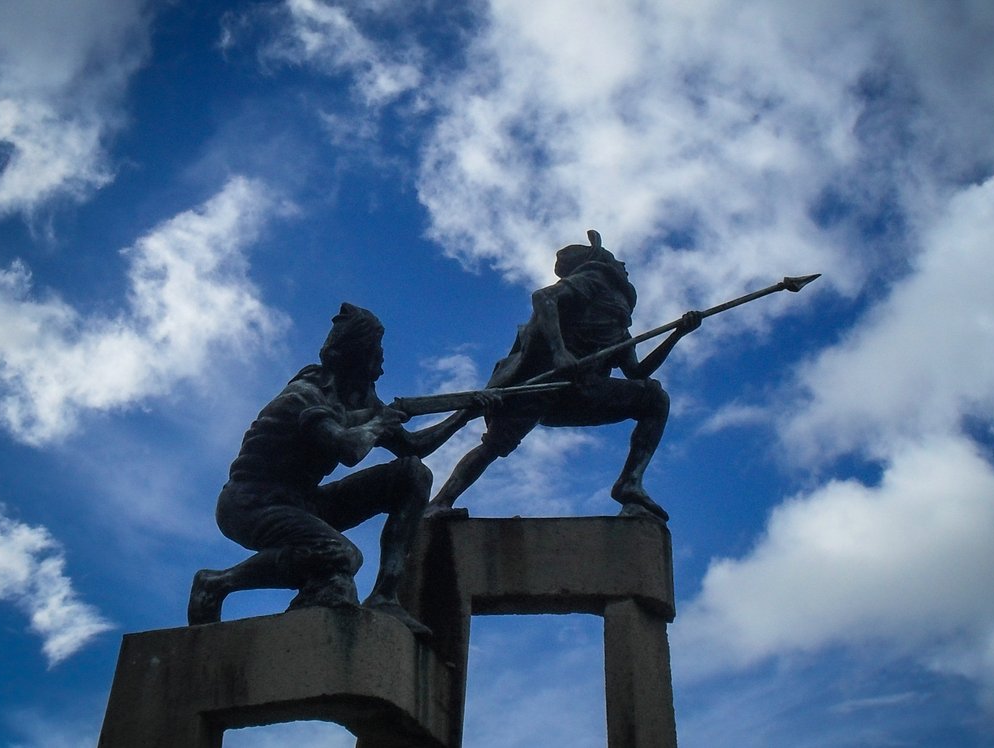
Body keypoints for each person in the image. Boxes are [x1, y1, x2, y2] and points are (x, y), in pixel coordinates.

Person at [188, 303, 488, 635]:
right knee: (342, 557)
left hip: (303, 501)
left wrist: (466, 414)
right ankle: (217, 583)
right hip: (249, 504)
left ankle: (385, 596)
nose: (383, 359)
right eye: (377, 350)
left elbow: (414, 447)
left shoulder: (362, 403)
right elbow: (348, 450)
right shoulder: (305, 396)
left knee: (412, 474)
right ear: (360, 353)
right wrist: (378, 424)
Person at [426, 230, 701, 522]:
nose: (623, 264)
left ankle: (630, 483)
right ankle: (440, 502)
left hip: (582, 390)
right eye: (616, 259)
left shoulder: (616, 321)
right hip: (543, 380)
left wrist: (677, 334)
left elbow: (636, 372)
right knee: (495, 446)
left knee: (654, 399)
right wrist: (559, 351)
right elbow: (544, 297)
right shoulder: (595, 279)